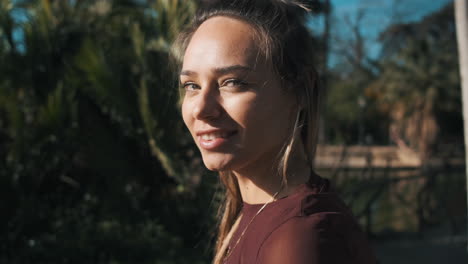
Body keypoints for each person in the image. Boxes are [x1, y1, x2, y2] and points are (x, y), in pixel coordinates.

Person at [173, 0, 377, 263]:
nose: (201, 108)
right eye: (191, 85)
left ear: (299, 91)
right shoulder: (261, 214)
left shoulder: (301, 240)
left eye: (232, 82)